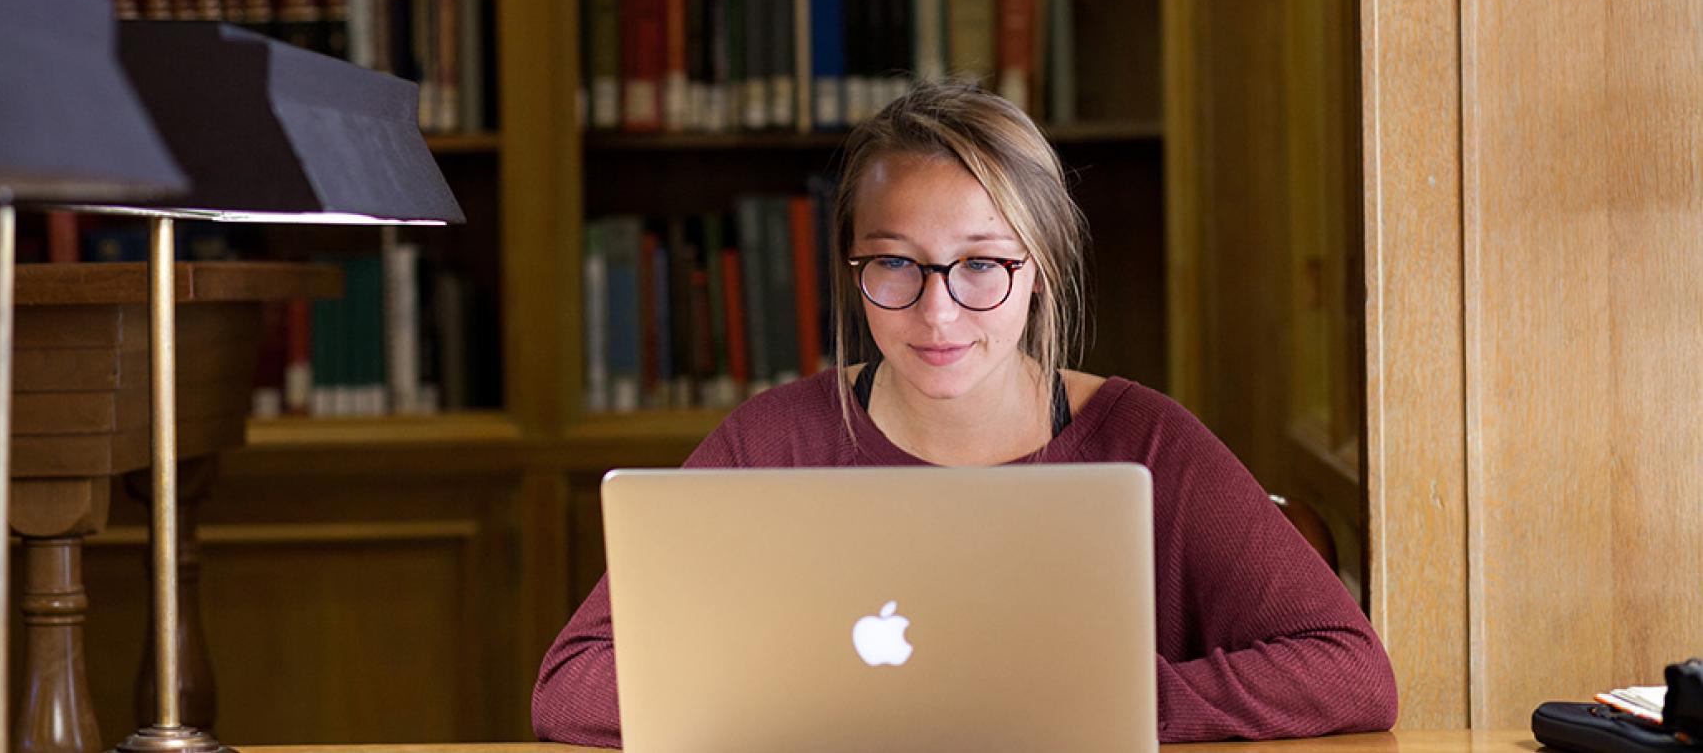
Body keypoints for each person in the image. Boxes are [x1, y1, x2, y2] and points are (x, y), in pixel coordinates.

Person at [531, 82, 1398, 745]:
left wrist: (1104, 707)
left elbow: (1352, 671)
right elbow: (571, 685)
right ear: (851, 267)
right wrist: (840, 708)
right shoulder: (770, 441)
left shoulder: (1149, 441)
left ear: (1041, 267)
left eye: (982, 265)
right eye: (895, 265)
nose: (937, 314)